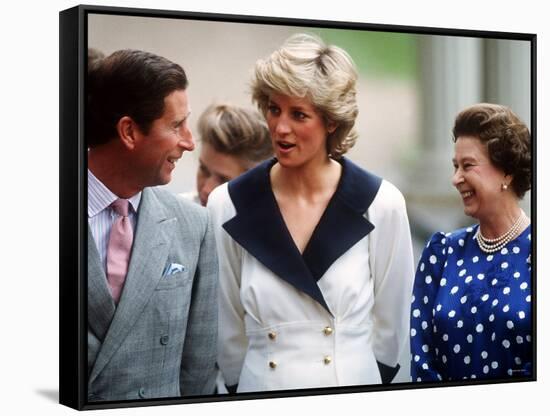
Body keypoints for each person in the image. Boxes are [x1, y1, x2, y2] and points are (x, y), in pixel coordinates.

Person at [207, 33, 414, 393]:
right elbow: (226, 330)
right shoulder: (227, 203)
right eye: (274, 109)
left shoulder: (381, 202)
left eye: (298, 114)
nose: (280, 127)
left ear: (331, 121)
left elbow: (394, 328)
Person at [86, 49, 218, 401]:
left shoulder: (195, 226)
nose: (189, 142)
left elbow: (199, 372)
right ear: (129, 131)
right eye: (176, 126)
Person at [410, 103, 532, 382]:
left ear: (506, 172)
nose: (456, 179)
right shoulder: (441, 253)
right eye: (455, 166)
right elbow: (421, 356)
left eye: (468, 166)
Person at [182, 103, 272, 206]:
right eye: (204, 170)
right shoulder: (175, 212)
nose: (206, 189)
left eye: (223, 181)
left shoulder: (275, 219)